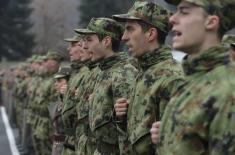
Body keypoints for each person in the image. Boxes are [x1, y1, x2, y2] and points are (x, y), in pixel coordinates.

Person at [151, 0, 235, 154]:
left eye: (184, 12)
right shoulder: (193, 79)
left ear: (211, 22)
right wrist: (170, 135)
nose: (172, 19)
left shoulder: (228, 91)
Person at [113, 1, 183, 154]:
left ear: (150, 34)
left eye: (130, 29)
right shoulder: (144, 72)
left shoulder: (171, 78)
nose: (123, 37)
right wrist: (123, 118)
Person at [75, 17, 138, 155]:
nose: (84, 46)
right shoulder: (103, 71)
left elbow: (127, 134)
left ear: (106, 41)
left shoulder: (123, 74)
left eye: (89, 40)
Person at [51, 66, 72, 155]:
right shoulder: (60, 99)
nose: (56, 84)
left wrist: (69, 96)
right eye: (56, 81)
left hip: (68, 146)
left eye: (59, 81)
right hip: (58, 144)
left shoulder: (73, 100)